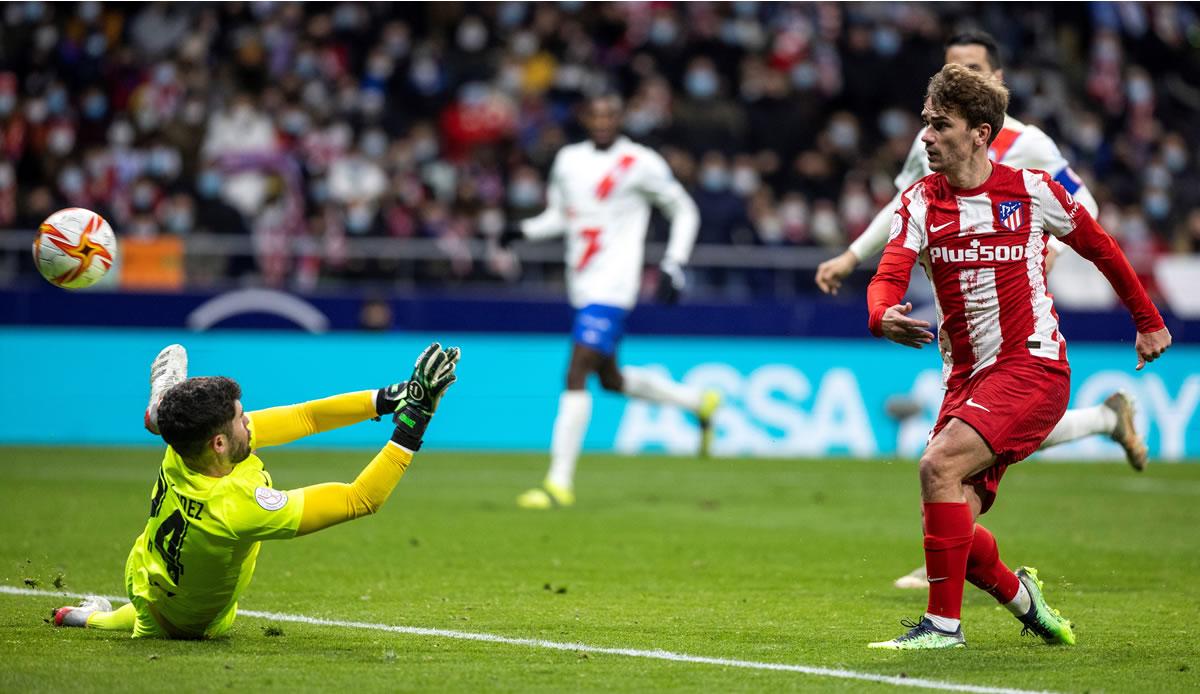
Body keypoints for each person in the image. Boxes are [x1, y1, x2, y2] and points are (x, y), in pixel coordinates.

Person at [814, 30, 1150, 591]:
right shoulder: (932, 144)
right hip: (958, 314)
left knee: (966, 443)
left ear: (995, 81)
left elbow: (1083, 210)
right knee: (980, 436)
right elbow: (902, 207)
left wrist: (1040, 247)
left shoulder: (1031, 147)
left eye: (971, 66)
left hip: (1018, 302)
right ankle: (1100, 423)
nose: (960, 75)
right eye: (951, 68)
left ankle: (942, 577)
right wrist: (852, 256)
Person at [865, 64, 1170, 649]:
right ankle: (1028, 603)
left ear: (980, 133)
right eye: (925, 124)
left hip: (1033, 366)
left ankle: (941, 628)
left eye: (940, 126)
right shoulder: (919, 203)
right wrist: (882, 316)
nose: (926, 137)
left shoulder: (1030, 191)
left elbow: (1102, 248)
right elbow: (887, 277)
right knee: (952, 516)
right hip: (966, 379)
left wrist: (1148, 320)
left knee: (936, 468)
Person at [52, 342, 460, 639]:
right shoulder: (236, 508)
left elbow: (306, 417)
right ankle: (85, 616)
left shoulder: (186, 447)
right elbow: (361, 498)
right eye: (240, 418)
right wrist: (415, 421)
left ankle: (162, 411)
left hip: (143, 570)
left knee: (139, 612)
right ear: (219, 444)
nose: (248, 421)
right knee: (142, 620)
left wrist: (390, 397)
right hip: (193, 623)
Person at [501, 93, 720, 510]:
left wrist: (674, 264)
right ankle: (699, 402)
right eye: (595, 113)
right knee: (610, 380)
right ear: (585, 117)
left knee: (576, 371)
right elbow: (561, 216)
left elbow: (684, 211)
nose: (602, 120)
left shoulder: (640, 162)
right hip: (581, 284)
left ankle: (557, 483)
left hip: (615, 285)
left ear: (620, 117)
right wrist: (523, 231)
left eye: (610, 113)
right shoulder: (568, 160)